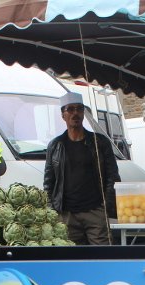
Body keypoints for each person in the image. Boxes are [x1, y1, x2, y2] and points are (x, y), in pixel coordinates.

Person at [43, 92, 120, 245]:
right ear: (63, 115)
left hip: (95, 211)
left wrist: (106, 206)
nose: (75, 113)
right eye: (70, 109)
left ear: (84, 112)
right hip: (66, 214)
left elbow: (112, 176)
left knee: (103, 256)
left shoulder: (100, 142)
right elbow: (48, 182)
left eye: (79, 109)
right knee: (71, 259)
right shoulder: (55, 145)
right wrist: (52, 211)